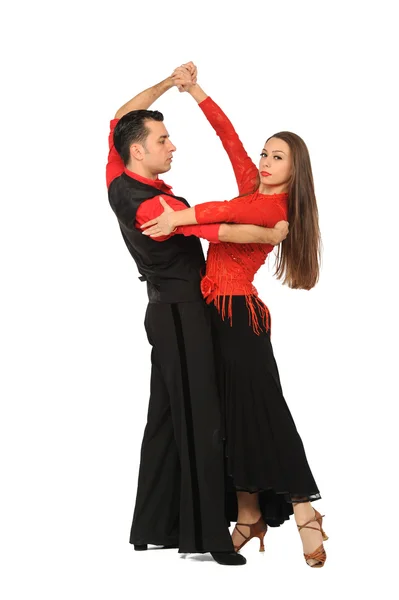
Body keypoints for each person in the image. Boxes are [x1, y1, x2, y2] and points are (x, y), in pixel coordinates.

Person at [141, 66, 327, 568]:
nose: (265, 162)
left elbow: (222, 216)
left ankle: (305, 510)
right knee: (226, 419)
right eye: (265, 153)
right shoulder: (254, 188)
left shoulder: (276, 209)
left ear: (296, 170)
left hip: (240, 317)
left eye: (277, 157)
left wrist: (181, 218)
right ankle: (248, 517)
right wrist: (195, 89)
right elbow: (228, 136)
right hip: (212, 315)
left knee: (262, 413)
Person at [106, 65, 288, 566]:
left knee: (165, 418)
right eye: (164, 140)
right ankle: (210, 535)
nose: (173, 147)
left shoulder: (119, 170)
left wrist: (171, 84)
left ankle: (153, 526)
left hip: (173, 314)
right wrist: (268, 234)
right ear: (139, 151)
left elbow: (124, 116)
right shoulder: (147, 207)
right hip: (183, 314)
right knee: (202, 419)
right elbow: (218, 228)